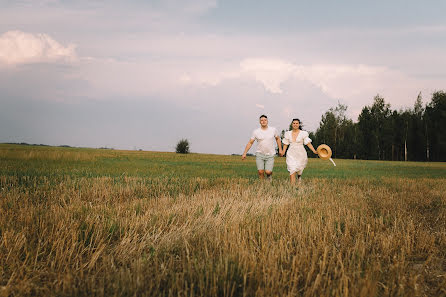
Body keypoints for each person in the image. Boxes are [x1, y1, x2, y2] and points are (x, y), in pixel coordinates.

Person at [242, 115, 283, 180]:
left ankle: (269, 176)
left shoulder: (273, 130)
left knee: (268, 171)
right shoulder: (256, 131)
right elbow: (250, 142)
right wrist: (244, 153)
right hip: (260, 154)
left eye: (265, 120)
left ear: (267, 121)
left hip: (270, 154)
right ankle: (262, 185)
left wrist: (280, 149)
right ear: (259, 122)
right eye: (262, 120)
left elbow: (278, 139)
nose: (263, 121)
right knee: (260, 172)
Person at [280, 118, 318, 184]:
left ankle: (299, 176)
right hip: (291, 153)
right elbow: (285, 144)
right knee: (292, 169)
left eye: (297, 123)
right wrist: (283, 152)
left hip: (301, 153)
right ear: (292, 124)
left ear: (299, 124)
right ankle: (292, 188)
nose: (295, 124)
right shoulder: (288, 134)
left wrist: (314, 151)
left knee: (299, 168)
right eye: (294, 123)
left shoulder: (303, 133)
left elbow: (308, 143)